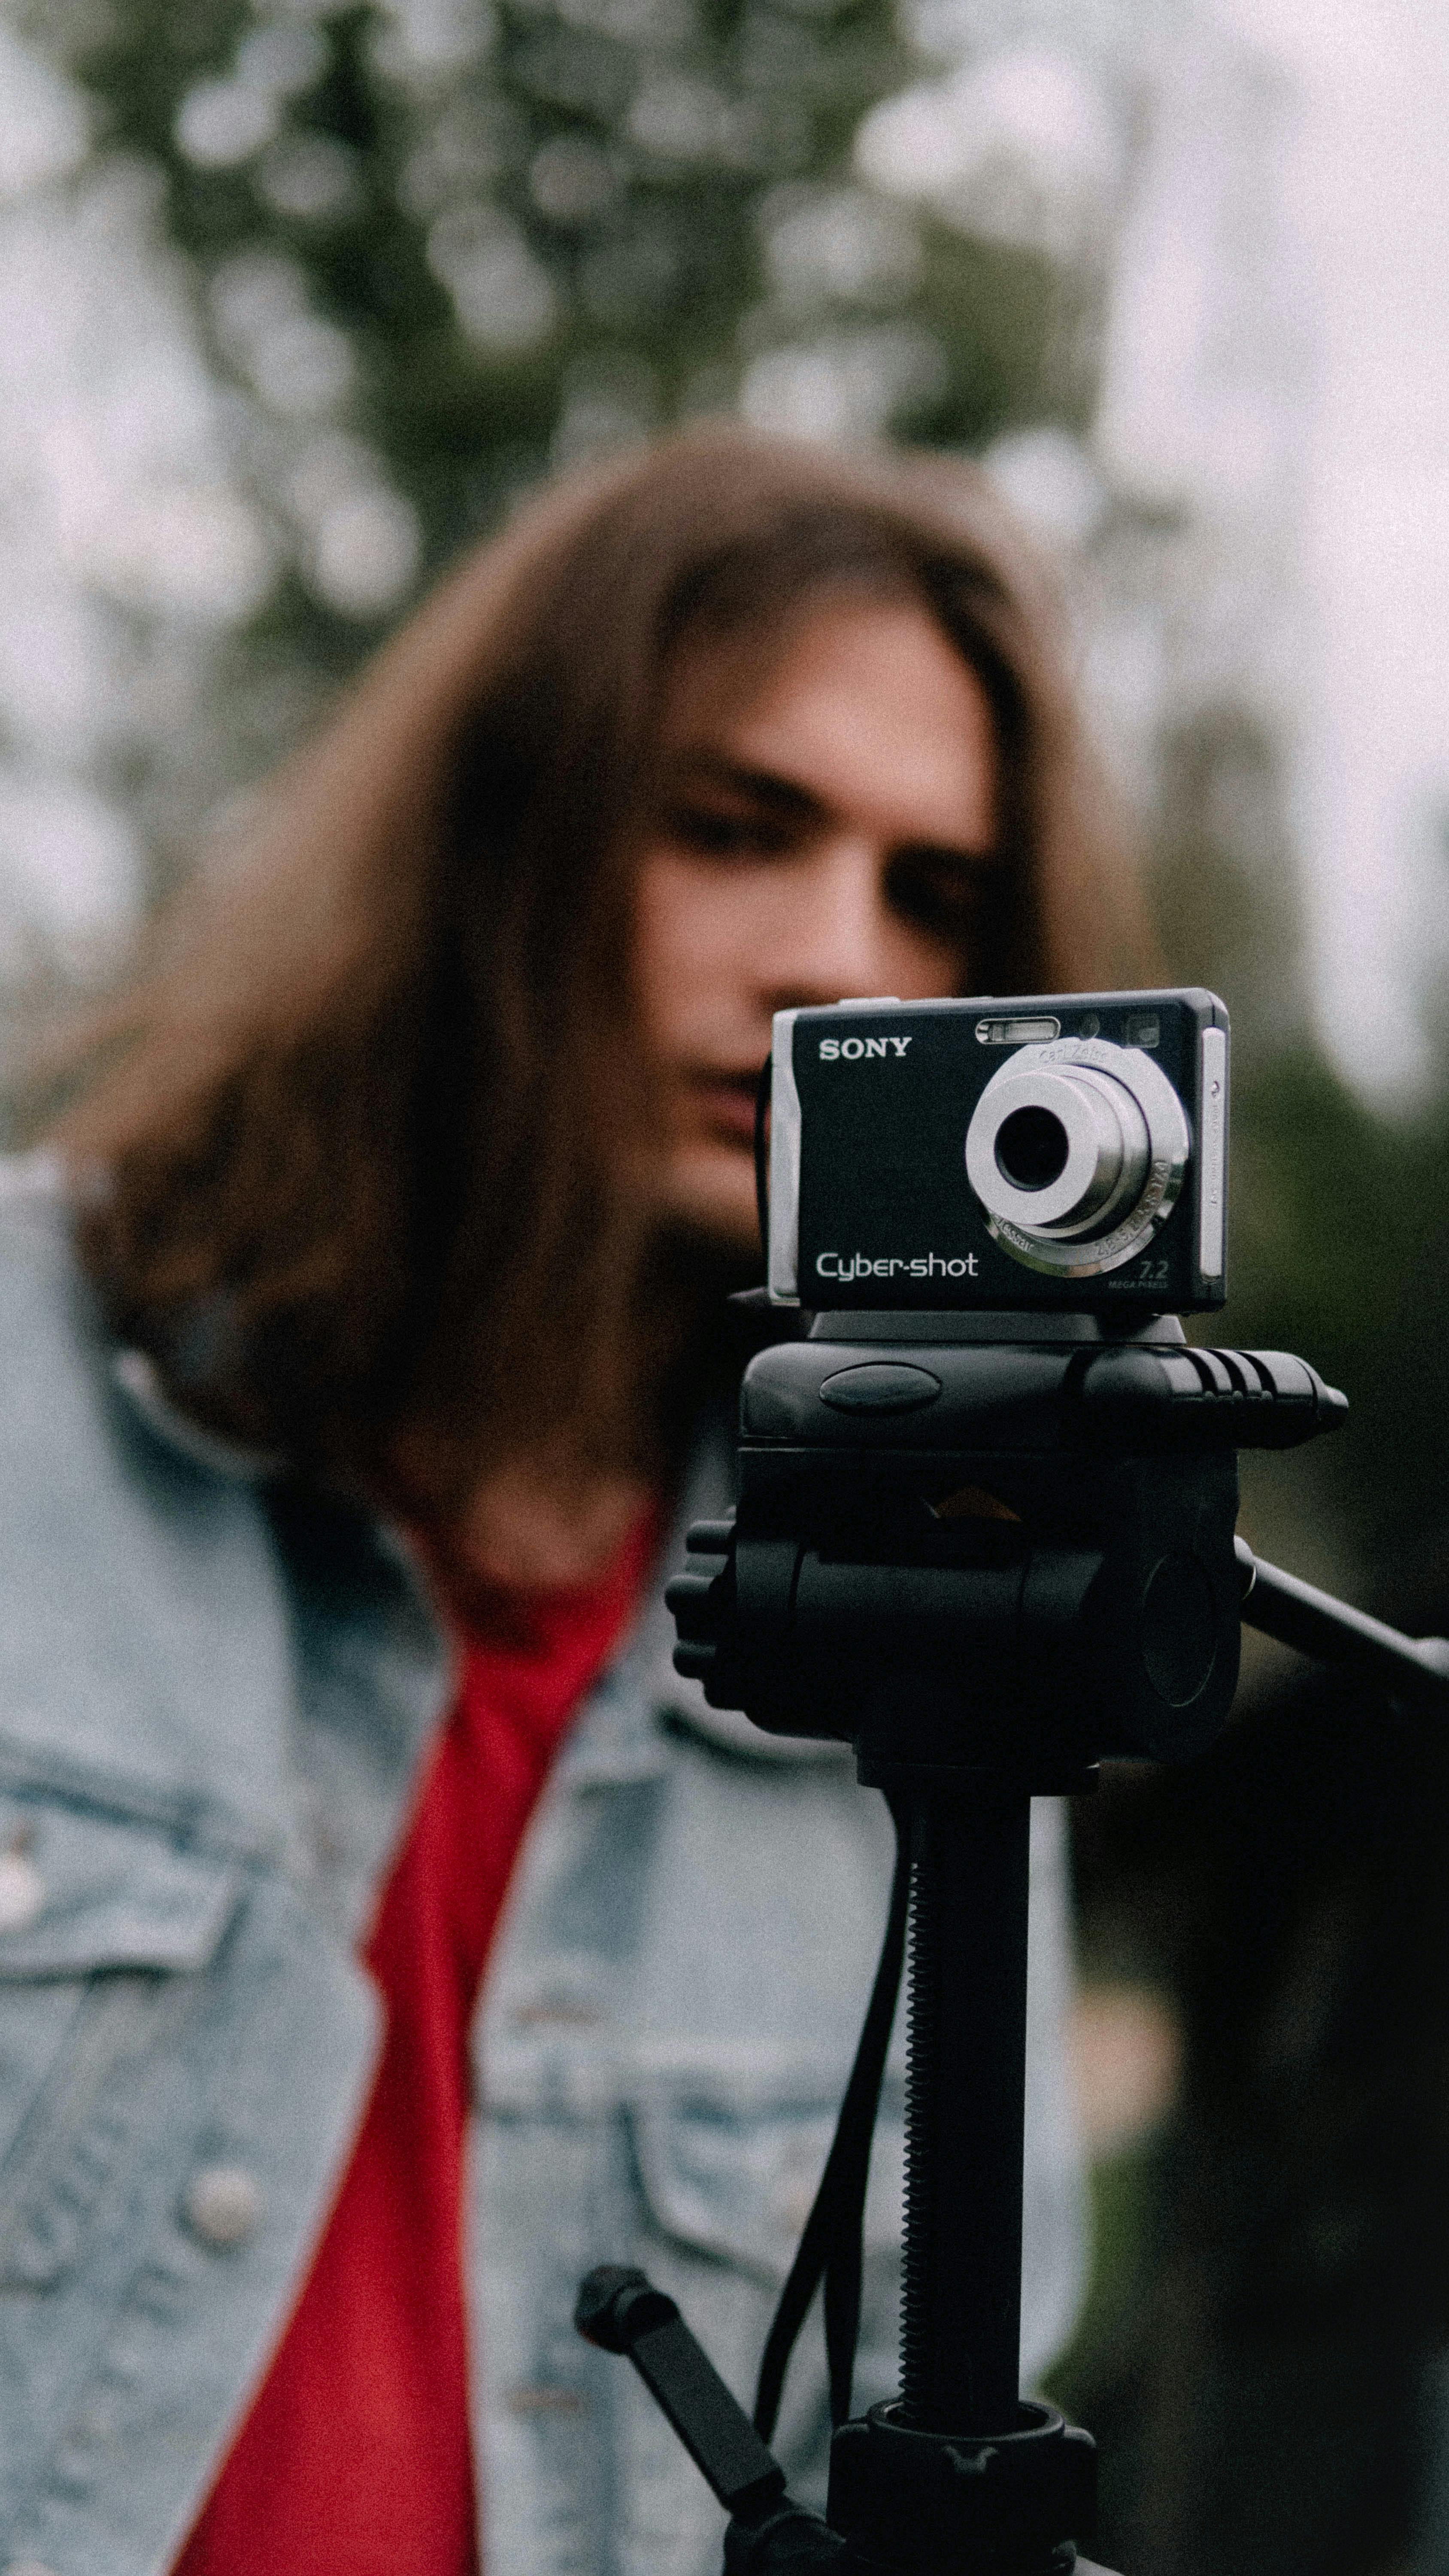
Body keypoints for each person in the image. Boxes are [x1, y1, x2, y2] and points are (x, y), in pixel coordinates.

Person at [0, 426, 1146, 2576]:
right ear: (502, 840)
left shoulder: (941, 1619)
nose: (839, 963)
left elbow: (932, 2398)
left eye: (936, 894)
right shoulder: (24, 1393)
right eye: (735, 827)